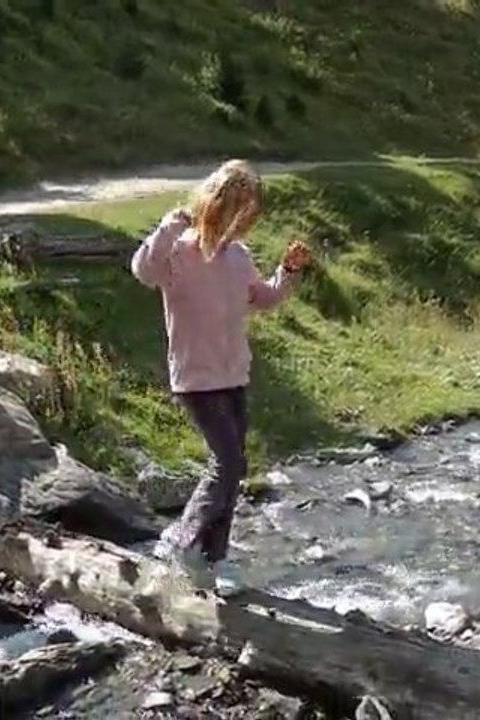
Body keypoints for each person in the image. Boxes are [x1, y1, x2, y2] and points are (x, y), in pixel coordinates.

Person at [130, 159, 312, 596]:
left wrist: (287, 272)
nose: (240, 223)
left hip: (234, 373)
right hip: (196, 376)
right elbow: (143, 271)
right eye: (235, 212)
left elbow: (263, 299)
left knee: (233, 468)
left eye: (246, 216)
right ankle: (179, 539)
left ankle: (213, 563)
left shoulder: (238, 256)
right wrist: (168, 226)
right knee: (228, 463)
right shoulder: (178, 250)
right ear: (215, 205)